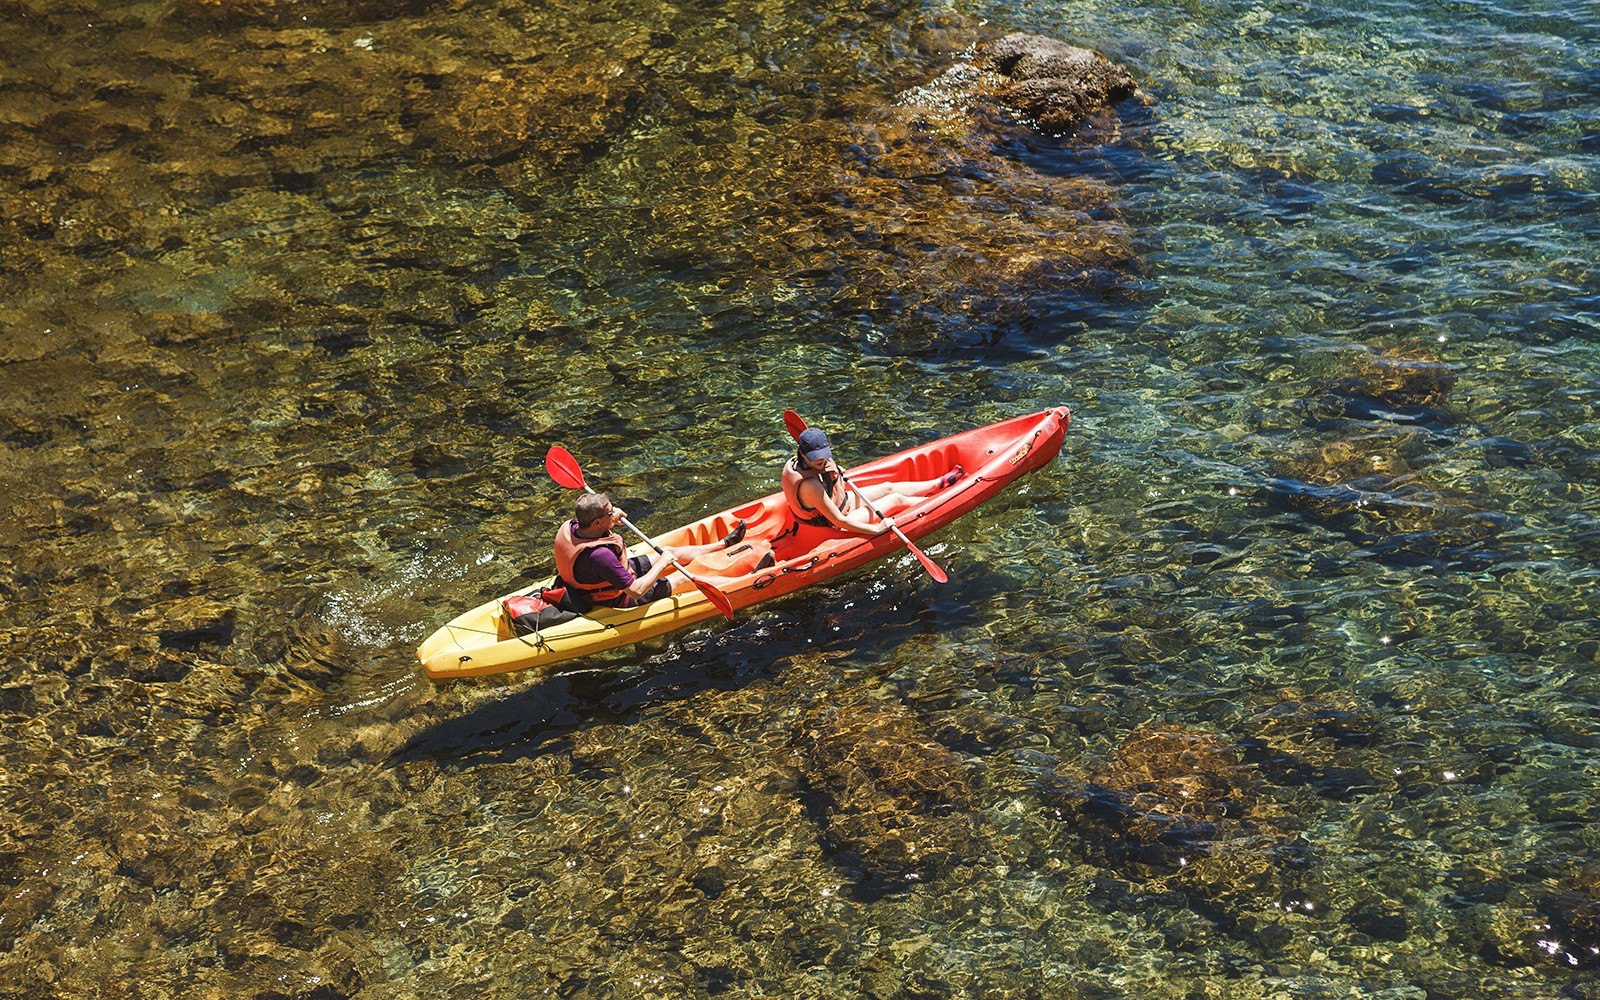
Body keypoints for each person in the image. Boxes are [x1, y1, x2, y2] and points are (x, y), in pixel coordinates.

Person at [553, 494, 745, 611]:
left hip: (609, 573)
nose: (614, 514)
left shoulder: (573, 526)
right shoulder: (600, 556)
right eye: (610, 513)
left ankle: (723, 544)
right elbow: (636, 592)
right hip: (618, 598)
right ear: (596, 523)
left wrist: (610, 518)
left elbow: (594, 520)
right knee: (683, 579)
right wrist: (663, 564)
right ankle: (745, 582)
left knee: (669, 551)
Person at [781, 426, 964, 536]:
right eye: (816, 459)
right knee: (896, 499)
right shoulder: (810, 486)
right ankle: (944, 503)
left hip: (842, 502)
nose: (822, 462)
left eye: (824, 457)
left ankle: (937, 484)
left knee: (888, 488)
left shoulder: (804, 462)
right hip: (836, 522)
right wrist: (878, 530)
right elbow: (838, 521)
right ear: (803, 454)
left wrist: (833, 471)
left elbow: (824, 468)